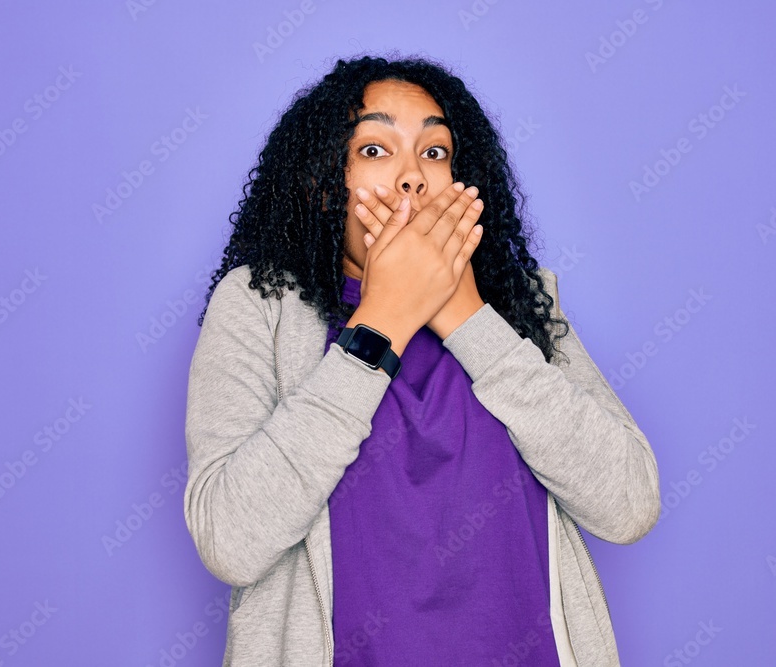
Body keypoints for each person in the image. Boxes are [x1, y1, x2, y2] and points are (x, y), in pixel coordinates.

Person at [183, 53, 660, 666]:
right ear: (323, 186)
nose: (412, 176)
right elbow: (230, 540)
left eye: (434, 152)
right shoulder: (260, 304)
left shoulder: (519, 302)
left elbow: (628, 504)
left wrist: (469, 318)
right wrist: (383, 319)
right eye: (374, 150)